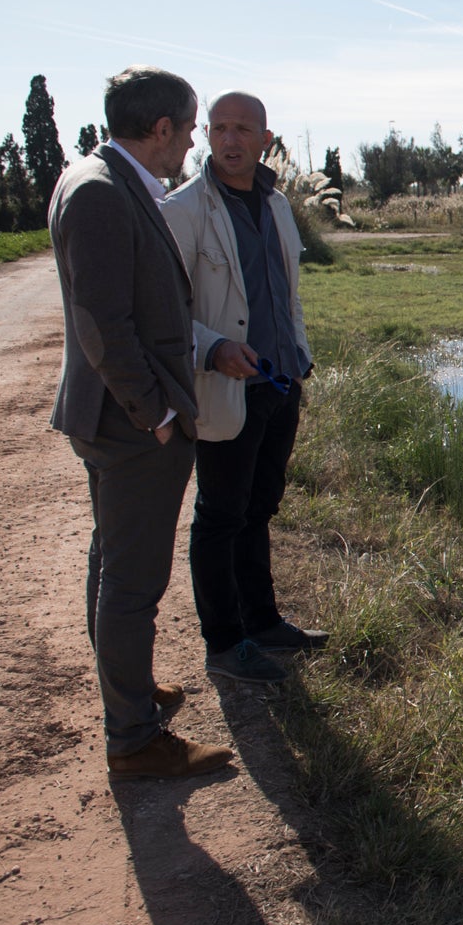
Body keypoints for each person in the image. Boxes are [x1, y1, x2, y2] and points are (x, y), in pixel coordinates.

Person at [48, 65, 233, 780]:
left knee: (111, 558)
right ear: (161, 129)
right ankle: (132, 737)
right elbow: (103, 322)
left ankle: (126, 688)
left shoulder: (101, 179)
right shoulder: (99, 191)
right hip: (130, 426)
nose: (192, 143)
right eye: (189, 129)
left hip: (115, 420)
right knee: (134, 582)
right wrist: (153, 412)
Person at [162, 91, 327, 686]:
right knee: (220, 515)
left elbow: (287, 292)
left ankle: (262, 621)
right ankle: (225, 643)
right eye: (219, 128)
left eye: (243, 129)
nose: (230, 139)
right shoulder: (183, 210)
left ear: (265, 138)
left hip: (279, 381)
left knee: (260, 506)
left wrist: (298, 358)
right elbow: (163, 313)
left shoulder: (277, 204)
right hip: (226, 383)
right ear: (206, 134)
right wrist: (213, 348)